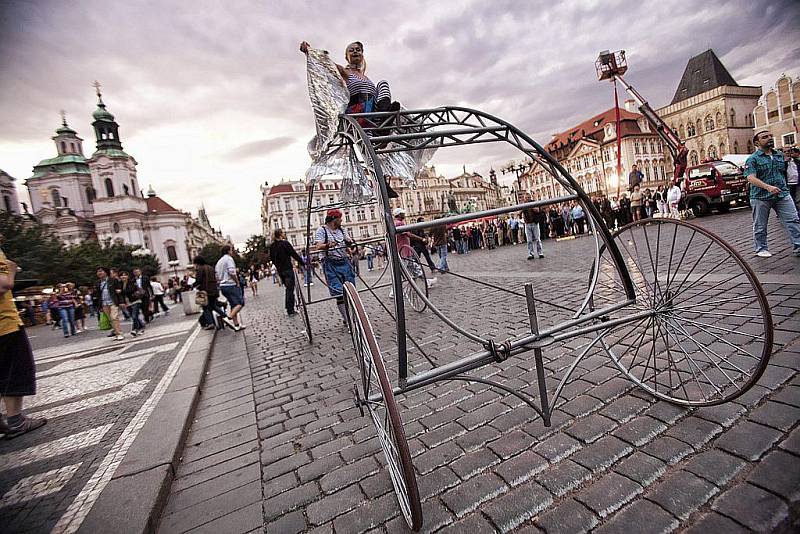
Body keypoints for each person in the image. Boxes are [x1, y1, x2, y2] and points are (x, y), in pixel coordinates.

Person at [0, 248, 47, 439]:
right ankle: (16, 421)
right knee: (15, 371)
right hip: (4, 325)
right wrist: (10, 268)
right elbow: (3, 285)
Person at [300, 40, 398, 130]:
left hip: (374, 110)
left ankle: (384, 117)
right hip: (359, 112)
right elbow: (327, 64)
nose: (355, 51)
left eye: (358, 50)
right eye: (351, 50)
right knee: (369, 139)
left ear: (362, 55)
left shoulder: (366, 78)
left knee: (382, 83)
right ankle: (383, 123)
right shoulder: (345, 72)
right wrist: (310, 52)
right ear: (347, 57)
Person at [744, 131, 800, 257]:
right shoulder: (752, 159)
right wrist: (767, 187)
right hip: (760, 196)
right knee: (760, 224)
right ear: (757, 143)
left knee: (793, 220)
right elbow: (750, 178)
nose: (769, 138)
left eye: (770, 136)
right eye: (765, 137)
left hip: (782, 194)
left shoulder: (779, 155)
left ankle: (798, 245)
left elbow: (784, 172)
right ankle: (761, 248)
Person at [314, 208, 357, 321]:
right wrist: (328, 245)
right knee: (338, 293)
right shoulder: (322, 230)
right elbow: (318, 246)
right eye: (340, 218)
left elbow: (348, 241)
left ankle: (353, 313)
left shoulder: (342, 230)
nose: (341, 220)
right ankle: (347, 318)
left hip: (344, 261)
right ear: (334, 219)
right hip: (330, 263)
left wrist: (349, 244)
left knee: (351, 288)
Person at [394, 208, 437, 283]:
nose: (404, 214)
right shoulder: (399, 223)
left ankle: (426, 282)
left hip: (405, 251)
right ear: (399, 215)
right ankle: (393, 291)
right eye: (402, 213)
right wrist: (421, 239)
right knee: (403, 271)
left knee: (415, 268)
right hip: (404, 251)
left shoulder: (397, 222)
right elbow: (409, 234)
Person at [269, 229, 305, 316]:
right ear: (280, 234)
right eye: (283, 233)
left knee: (288, 289)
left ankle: (289, 307)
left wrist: (278, 266)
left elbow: (272, 259)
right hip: (287, 269)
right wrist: (302, 263)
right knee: (290, 289)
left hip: (281, 271)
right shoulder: (285, 243)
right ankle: (290, 309)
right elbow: (293, 254)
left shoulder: (272, 246)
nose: (284, 234)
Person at [193, 256, 229, 330]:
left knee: (205, 307)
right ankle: (226, 317)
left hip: (205, 291)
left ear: (197, 263)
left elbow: (198, 280)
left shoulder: (200, 269)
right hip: (214, 290)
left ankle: (210, 323)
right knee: (213, 306)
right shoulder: (210, 267)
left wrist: (193, 285)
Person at [215, 246, 245, 330]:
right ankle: (229, 317)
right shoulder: (228, 259)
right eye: (231, 250)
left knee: (233, 304)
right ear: (228, 251)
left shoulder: (219, 262)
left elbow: (217, 276)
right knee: (240, 303)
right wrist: (237, 282)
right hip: (230, 284)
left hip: (223, 285)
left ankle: (237, 325)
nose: (232, 252)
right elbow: (231, 272)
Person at [94, 267, 124, 340]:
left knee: (114, 317)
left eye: (101, 271)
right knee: (110, 319)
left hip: (113, 301)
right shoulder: (98, 283)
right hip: (104, 303)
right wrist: (99, 306)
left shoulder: (113, 280)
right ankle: (116, 332)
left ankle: (119, 334)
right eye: (98, 272)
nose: (99, 273)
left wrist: (121, 302)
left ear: (106, 272)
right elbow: (98, 295)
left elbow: (119, 292)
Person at [119, 271, 145, 336]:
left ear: (127, 276)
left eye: (125, 275)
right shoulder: (120, 284)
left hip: (135, 300)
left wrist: (121, 291)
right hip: (127, 303)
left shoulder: (132, 282)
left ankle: (134, 329)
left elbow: (131, 290)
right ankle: (141, 326)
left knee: (134, 316)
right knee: (134, 316)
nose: (123, 276)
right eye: (122, 275)